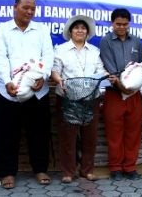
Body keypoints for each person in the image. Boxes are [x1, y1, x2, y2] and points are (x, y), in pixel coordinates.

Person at [0, 0, 54, 189]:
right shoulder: (2, 31)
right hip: (8, 91)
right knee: (6, 134)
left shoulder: (41, 30)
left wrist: (43, 78)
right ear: (15, 7)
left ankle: (40, 169)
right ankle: (7, 172)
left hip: (37, 91)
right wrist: (8, 81)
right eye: (26, 7)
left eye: (33, 8)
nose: (29, 11)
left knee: (39, 132)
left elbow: (48, 55)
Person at [51, 15, 106, 183]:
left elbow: (101, 71)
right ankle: (68, 171)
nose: (80, 30)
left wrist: (103, 84)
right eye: (76, 28)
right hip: (68, 98)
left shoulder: (95, 51)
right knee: (68, 137)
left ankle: (87, 170)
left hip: (91, 99)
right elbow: (55, 70)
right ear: (70, 31)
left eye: (83, 28)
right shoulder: (60, 50)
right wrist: (58, 79)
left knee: (90, 137)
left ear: (88, 32)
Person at [99, 8, 142, 181]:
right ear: (112, 23)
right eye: (118, 24)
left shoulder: (137, 42)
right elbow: (110, 67)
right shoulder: (106, 42)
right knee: (114, 133)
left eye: (125, 24)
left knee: (133, 133)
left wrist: (134, 85)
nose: (121, 27)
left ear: (129, 24)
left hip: (134, 94)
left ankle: (130, 167)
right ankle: (116, 168)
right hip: (114, 94)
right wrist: (122, 85)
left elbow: (141, 65)